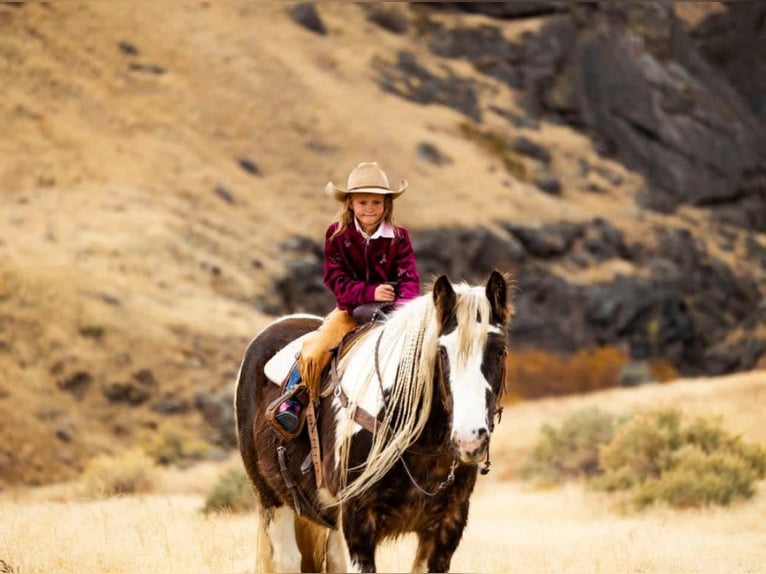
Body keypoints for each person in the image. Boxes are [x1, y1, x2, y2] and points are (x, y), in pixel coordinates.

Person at [271, 161, 421, 436]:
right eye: (363, 202)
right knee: (318, 347)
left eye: (377, 202)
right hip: (350, 310)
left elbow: (409, 278)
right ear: (351, 203)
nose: (370, 209)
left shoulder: (399, 237)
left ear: (386, 204)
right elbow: (335, 279)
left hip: (393, 312)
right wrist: (370, 293)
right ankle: (294, 398)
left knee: (421, 350)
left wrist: (403, 309)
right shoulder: (337, 235)